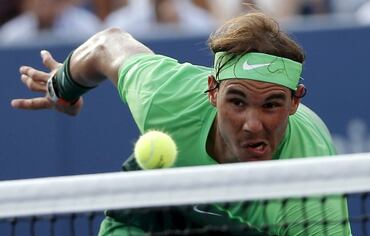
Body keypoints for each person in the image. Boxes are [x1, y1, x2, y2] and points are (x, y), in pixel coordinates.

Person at [11, 11, 351, 235]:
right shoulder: (167, 98)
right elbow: (106, 45)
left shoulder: (311, 186)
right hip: (153, 219)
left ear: (295, 101)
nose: (252, 124)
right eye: (237, 101)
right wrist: (63, 89)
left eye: (271, 105)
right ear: (212, 92)